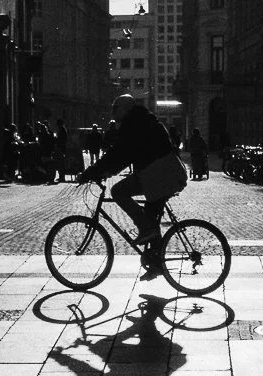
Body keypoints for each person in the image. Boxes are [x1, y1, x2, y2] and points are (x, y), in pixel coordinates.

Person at [80, 93, 187, 276]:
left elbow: (119, 154)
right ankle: (156, 264)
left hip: (160, 174)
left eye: (116, 108)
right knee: (151, 220)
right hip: (164, 173)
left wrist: (90, 173)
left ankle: (146, 232)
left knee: (118, 191)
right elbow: (125, 155)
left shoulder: (134, 124)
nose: (113, 112)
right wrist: (108, 171)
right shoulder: (140, 120)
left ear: (126, 108)